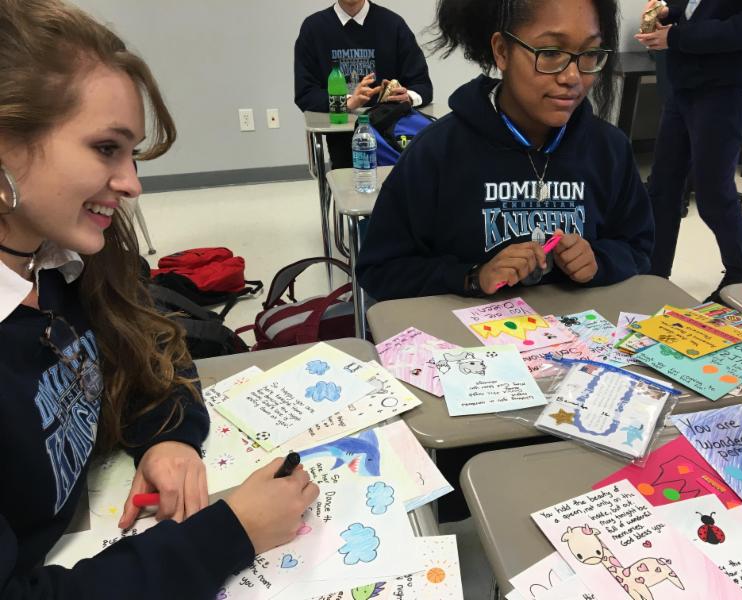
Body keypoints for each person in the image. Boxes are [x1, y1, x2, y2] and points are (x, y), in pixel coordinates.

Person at [0, 1, 318, 597]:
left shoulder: (61, 262)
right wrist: (230, 535)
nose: (132, 183)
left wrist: (167, 437)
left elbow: (149, 346)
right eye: (106, 148)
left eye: (132, 154)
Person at [356, 0, 654, 302]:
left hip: (580, 328)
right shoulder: (436, 153)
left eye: (589, 53)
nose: (572, 77)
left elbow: (638, 246)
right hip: (467, 329)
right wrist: (472, 277)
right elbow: (380, 270)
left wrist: (598, 261)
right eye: (550, 53)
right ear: (502, 51)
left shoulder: (610, 150)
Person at [635, 0, 742, 302]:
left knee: (713, 192)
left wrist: (676, 37)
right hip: (685, 81)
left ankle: (740, 274)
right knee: (663, 186)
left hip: (725, 88)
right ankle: (654, 271)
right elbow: (699, 7)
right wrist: (670, 12)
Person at [294, 0, 434, 168]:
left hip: (391, 135)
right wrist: (347, 102)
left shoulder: (393, 24)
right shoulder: (314, 28)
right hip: (342, 138)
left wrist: (407, 97)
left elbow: (422, 84)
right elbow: (305, 93)